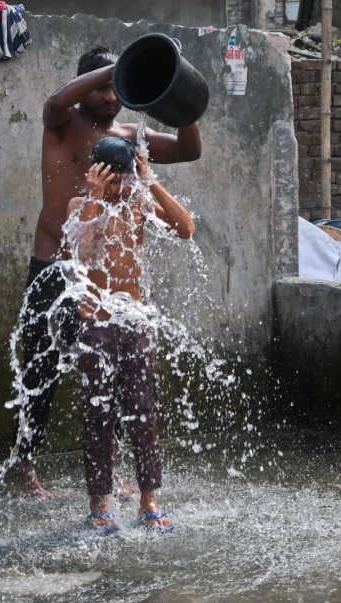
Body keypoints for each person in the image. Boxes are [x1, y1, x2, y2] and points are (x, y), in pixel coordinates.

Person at [13, 45, 202, 498]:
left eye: (114, 89)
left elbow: (189, 149)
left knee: (111, 372)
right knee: (41, 370)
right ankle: (23, 466)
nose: (110, 96)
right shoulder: (63, 124)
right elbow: (55, 102)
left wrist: (180, 100)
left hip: (102, 285)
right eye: (101, 87)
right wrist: (121, 68)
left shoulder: (131, 135)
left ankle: (111, 470)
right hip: (55, 268)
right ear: (87, 85)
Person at [68, 136, 195, 533]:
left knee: (143, 413)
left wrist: (150, 180)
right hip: (96, 323)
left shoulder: (138, 203)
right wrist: (93, 195)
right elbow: (84, 253)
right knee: (96, 414)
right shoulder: (80, 207)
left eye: (125, 180)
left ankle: (149, 500)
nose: (121, 189)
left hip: (133, 319)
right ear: (98, 175)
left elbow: (186, 228)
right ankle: (98, 504)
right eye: (114, 181)